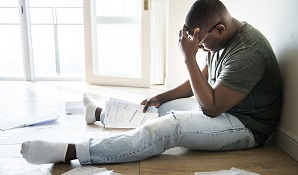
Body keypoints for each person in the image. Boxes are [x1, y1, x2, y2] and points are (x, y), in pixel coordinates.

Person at [21, 0, 282, 165]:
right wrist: (164, 96)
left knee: (168, 127)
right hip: (224, 108)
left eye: (201, 45)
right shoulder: (222, 40)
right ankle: (100, 113)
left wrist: (188, 58)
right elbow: (202, 79)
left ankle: (72, 152)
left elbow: (211, 108)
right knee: (157, 109)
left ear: (220, 29)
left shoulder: (249, 52)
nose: (202, 50)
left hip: (246, 126)